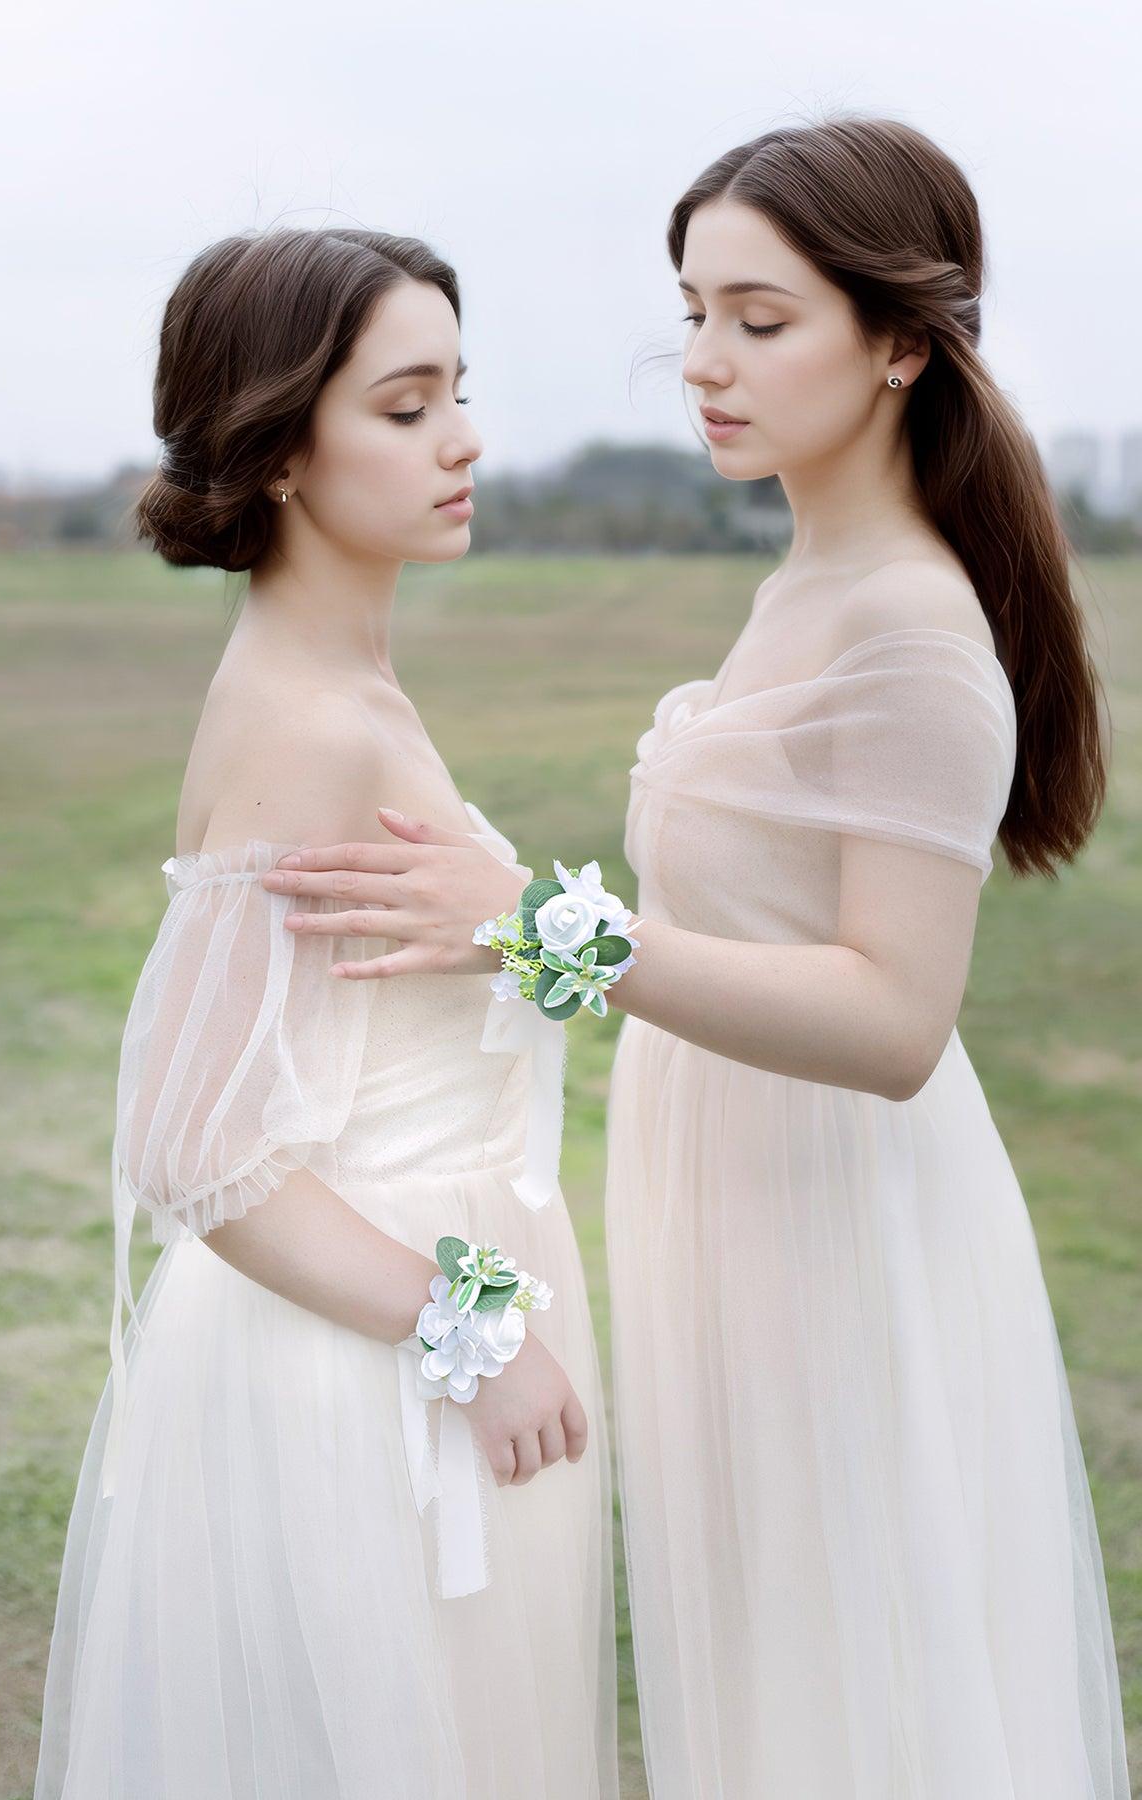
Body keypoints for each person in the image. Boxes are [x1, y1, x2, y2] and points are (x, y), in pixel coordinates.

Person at [270, 118, 1132, 1797]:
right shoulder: (806, 577)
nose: (706, 365)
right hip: (719, 1194)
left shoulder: (909, 623)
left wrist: (540, 933)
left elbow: (894, 1017)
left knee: (846, 1663)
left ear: (899, 343)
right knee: (753, 1655)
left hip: (841, 1218)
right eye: (694, 314)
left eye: (761, 317)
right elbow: (735, 923)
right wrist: (513, 910)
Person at [33, 225, 619, 1800]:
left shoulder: (347, 680)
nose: (466, 438)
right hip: (368, 1363)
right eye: (408, 404)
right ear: (284, 447)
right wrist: (474, 1334)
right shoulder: (307, 719)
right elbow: (193, 1143)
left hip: (427, 1294)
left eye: (459, 392)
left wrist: (576, 948)